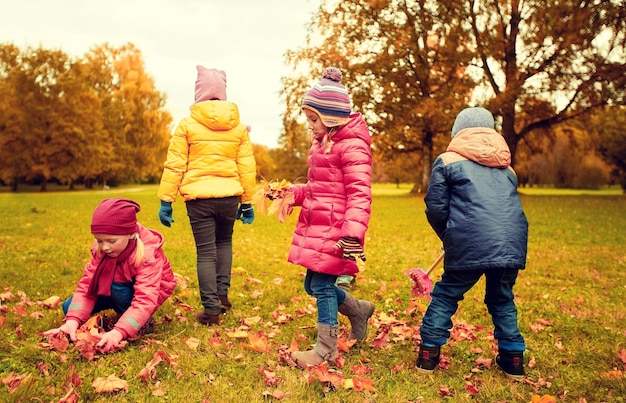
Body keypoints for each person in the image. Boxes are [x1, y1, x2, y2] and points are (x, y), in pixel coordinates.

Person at [416, 107, 528, 379]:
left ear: (458, 131)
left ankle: (429, 353)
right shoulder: (506, 166)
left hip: (469, 241)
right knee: (502, 299)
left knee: (446, 294)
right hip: (511, 243)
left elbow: (436, 207)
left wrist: (449, 236)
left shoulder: (447, 160)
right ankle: (513, 358)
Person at [286, 67, 375, 368]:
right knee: (311, 286)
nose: (309, 126)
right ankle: (358, 310)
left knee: (322, 287)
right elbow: (318, 188)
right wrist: (292, 194)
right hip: (320, 226)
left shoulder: (352, 146)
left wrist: (351, 233)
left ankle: (325, 349)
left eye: (313, 119)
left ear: (332, 118)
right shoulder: (323, 145)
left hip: (336, 231)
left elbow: (360, 192)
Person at [157, 65, 257, 326]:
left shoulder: (187, 125)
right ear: (223, 94)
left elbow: (175, 163)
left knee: (205, 253)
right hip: (228, 198)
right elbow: (247, 167)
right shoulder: (237, 128)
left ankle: (211, 310)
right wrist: (247, 202)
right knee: (224, 244)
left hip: (199, 200)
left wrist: (166, 200)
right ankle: (222, 297)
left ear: (198, 93)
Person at [44, 198, 176, 352]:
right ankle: (111, 309)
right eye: (99, 240)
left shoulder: (147, 254)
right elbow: (87, 285)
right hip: (116, 286)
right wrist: (72, 321)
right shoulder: (101, 249)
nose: (105, 247)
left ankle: (138, 321)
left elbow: (145, 299)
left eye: (111, 241)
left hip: (144, 294)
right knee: (69, 308)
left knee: (117, 288)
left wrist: (119, 332)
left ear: (131, 234)